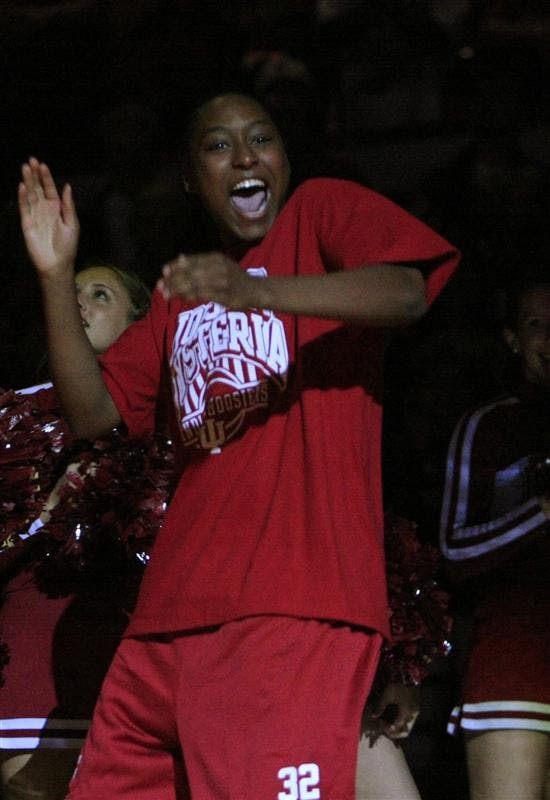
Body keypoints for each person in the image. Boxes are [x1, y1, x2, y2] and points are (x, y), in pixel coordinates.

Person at [18, 92, 459, 799]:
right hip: (168, 617)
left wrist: (258, 294)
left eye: (262, 139)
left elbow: (406, 292)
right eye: (220, 145)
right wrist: (53, 277)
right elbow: (95, 418)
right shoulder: (179, 295)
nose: (246, 155)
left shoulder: (319, 212)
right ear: (193, 177)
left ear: (284, 159)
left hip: (293, 605)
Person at [0, 264, 173, 800]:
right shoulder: (13, 412)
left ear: (140, 324)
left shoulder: (177, 409)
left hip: (143, 640)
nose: (79, 303)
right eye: (69, 293)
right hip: (39, 632)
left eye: (100, 295)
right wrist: (46, 510)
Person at [440, 274, 550, 800]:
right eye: (536, 324)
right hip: (513, 661)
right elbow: (452, 549)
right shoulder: (486, 426)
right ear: (512, 338)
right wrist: (541, 511)